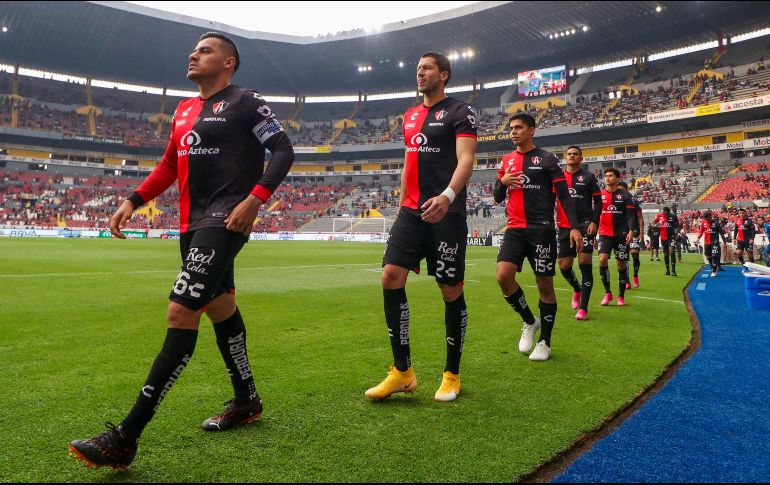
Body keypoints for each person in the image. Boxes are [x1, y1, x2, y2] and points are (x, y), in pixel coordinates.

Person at [70, 32, 295, 470]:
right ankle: (247, 400)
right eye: (194, 50)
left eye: (205, 50)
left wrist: (255, 198)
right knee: (220, 305)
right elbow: (171, 164)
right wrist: (133, 200)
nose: (194, 54)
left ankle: (125, 437)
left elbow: (283, 149)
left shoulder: (246, 101)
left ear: (228, 62)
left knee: (180, 312)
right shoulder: (184, 109)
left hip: (227, 220)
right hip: (191, 225)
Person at [365, 52, 477, 403]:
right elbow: (407, 163)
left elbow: (467, 159)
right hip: (411, 212)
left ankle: (452, 374)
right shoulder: (411, 116)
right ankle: (402, 372)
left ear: (443, 75)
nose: (420, 72)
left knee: (449, 289)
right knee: (390, 277)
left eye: (426, 68)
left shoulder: (460, 111)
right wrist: (401, 205)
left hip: (446, 212)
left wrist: (447, 196)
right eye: (417, 68)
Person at [494, 113, 582, 361]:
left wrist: (574, 227)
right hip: (514, 228)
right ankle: (529, 321)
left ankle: (545, 342)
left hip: (541, 230)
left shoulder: (548, 159)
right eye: (511, 128)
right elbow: (498, 196)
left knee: (545, 284)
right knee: (503, 276)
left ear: (531, 130)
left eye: (518, 127)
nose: (513, 132)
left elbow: (564, 196)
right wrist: (503, 181)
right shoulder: (507, 160)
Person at [555, 146, 601, 321]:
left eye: (575, 154)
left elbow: (598, 201)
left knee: (584, 262)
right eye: (569, 154)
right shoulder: (558, 177)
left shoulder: (588, 177)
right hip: (564, 226)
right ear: (565, 157)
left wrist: (594, 222)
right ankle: (577, 288)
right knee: (564, 265)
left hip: (584, 225)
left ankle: (583, 308)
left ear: (581, 158)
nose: (572, 156)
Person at [597, 168, 639, 306]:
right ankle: (607, 292)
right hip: (604, 234)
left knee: (621, 263)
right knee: (602, 260)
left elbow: (631, 216)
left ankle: (621, 296)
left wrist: (631, 231)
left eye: (610, 176)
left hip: (621, 234)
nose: (607, 178)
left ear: (617, 178)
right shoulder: (599, 195)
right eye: (606, 176)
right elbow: (595, 215)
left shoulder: (626, 196)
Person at [618, 180, 644, 289]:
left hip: (634, 230)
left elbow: (640, 217)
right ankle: (627, 280)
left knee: (635, 255)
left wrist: (642, 232)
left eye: (621, 189)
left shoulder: (633, 201)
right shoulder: (615, 200)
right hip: (620, 231)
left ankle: (635, 276)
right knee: (624, 258)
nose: (619, 191)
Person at [696, 210, 727, 277]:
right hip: (706, 242)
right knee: (708, 256)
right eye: (705, 218)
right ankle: (712, 267)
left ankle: (714, 270)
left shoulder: (716, 223)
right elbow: (701, 231)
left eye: (707, 218)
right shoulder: (703, 222)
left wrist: (724, 242)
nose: (706, 219)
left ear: (710, 217)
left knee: (714, 256)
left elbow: (721, 233)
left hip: (714, 242)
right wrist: (698, 238)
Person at [653, 207, 680, 276]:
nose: (667, 215)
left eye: (668, 213)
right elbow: (653, 223)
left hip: (671, 236)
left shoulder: (673, 216)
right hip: (663, 237)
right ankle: (667, 270)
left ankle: (673, 271)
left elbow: (678, 226)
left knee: (672, 251)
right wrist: (656, 225)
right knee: (666, 254)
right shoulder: (659, 216)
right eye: (665, 214)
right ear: (663, 212)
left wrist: (678, 234)